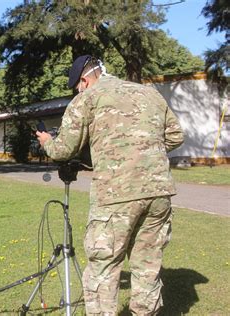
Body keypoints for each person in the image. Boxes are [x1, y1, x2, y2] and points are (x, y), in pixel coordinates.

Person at [36, 55, 184, 315]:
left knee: (103, 267)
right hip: (159, 191)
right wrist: (143, 153)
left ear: (84, 80)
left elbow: (64, 149)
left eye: (78, 87)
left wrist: (47, 140)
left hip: (116, 195)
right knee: (147, 266)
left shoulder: (87, 99)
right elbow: (175, 135)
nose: (78, 91)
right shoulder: (149, 93)